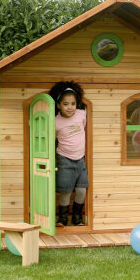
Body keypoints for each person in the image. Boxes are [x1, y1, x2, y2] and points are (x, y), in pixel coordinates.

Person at [49, 81, 88, 227]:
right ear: (58, 105)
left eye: (72, 103)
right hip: (64, 159)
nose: (70, 107)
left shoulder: (81, 114)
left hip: (81, 159)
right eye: (65, 104)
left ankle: (77, 218)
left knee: (81, 190)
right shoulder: (56, 121)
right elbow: (52, 140)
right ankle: (62, 219)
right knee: (65, 192)